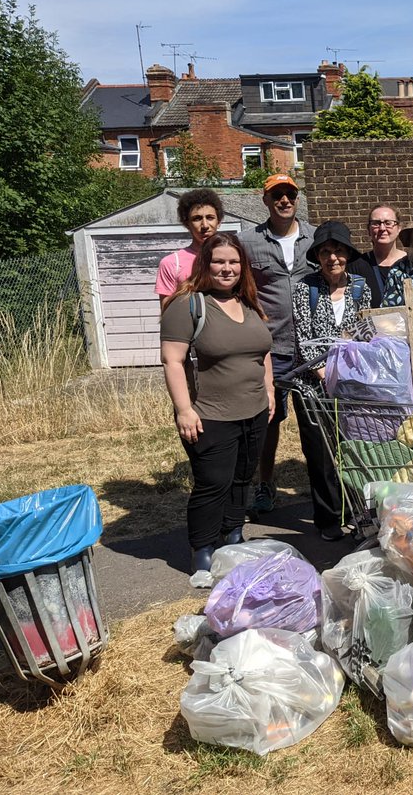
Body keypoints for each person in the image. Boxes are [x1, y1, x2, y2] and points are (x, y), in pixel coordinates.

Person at [159, 233, 273, 574]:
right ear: (205, 264)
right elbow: (172, 360)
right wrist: (184, 409)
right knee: (213, 483)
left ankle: (233, 534)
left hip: (253, 411)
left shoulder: (249, 301)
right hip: (210, 415)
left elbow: (263, 350)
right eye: (219, 261)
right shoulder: (188, 305)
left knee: (242, 478)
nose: (227, 269)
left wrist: (268, 389)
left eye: (234, 262)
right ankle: (203, 550)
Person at [291, 221, 372, 541]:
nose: (333, 258)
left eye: (338, 251)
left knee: (352, 449)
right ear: (318, 256)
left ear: (347, 254)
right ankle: (327, 518)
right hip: (313, 386)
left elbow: (366, 332)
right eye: (326, 252)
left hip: (351, 384)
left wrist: (353, 372)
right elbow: (304, 338)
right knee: (322, 454)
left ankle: (355, 512)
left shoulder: (360, 287)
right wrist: (324, 373)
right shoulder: (304, 288)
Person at [239, 172, 312, 515]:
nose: (285, 200)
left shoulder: (314, 237)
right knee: (270, 420)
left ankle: (325, 482)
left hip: (314, 346)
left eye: (290, 194)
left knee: (319, 419)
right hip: (274, 347)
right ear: (265, 200)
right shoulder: (248, 241)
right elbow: (242, 290)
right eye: (277, 195)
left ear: (297, 198)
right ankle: (265, 484)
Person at [155, 188, 224, 303]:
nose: (205, 225)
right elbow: (167, 314)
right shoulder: (171, 263)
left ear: (219, 221)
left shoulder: (233, 260)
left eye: (210, 217)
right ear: (187, 224)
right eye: (197, 218)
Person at [348, 203, 406, 308]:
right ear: (369, 229)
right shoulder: (356, 266)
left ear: (399, 228)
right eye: (376, 223)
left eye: (388, 223)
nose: (382, 228)